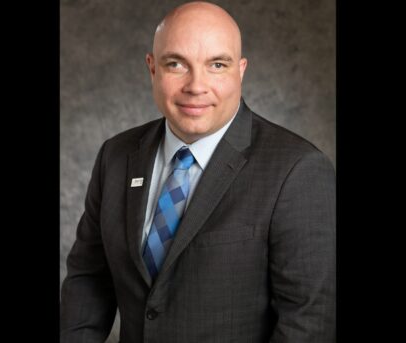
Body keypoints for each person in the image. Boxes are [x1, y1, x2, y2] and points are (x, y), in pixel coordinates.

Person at [60, 1, 335, 342]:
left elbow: (309, 322)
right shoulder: (115, 156)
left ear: (241, 70)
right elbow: (88, 283)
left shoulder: (297, 170)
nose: (196, 85)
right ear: (152, 68)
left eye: (217, 64)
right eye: (176, 64)